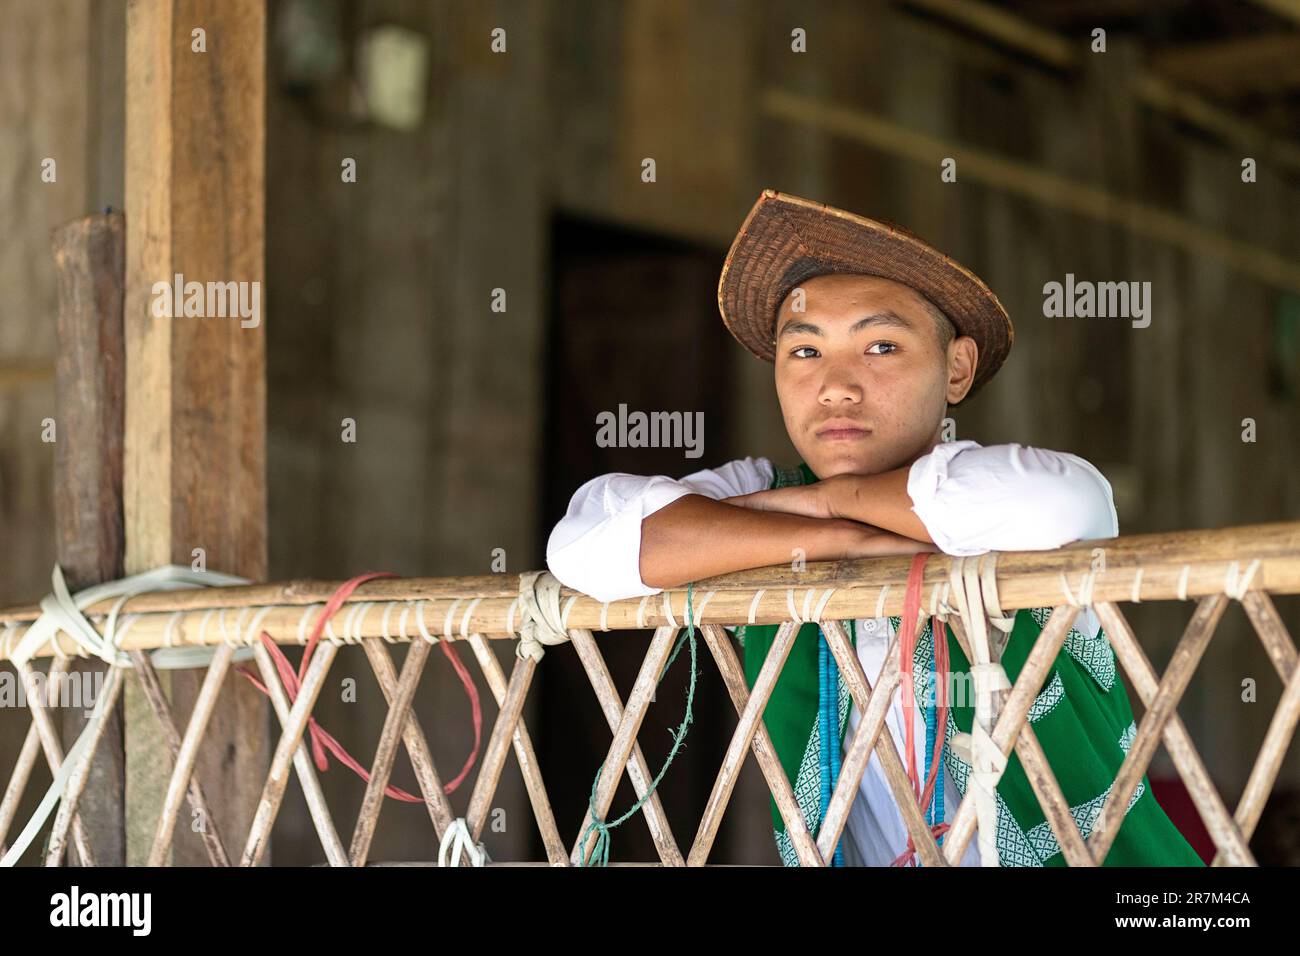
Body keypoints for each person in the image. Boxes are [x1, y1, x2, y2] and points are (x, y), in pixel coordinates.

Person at [546, 189, 1204, 867]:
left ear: (956, 369)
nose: (835, 386)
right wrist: (836, 530)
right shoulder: (770, 493)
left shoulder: (1006, 500)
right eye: (804, 352)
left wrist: (831, 503)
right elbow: (583, 544)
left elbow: (1065, 505)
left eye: (880, 345)